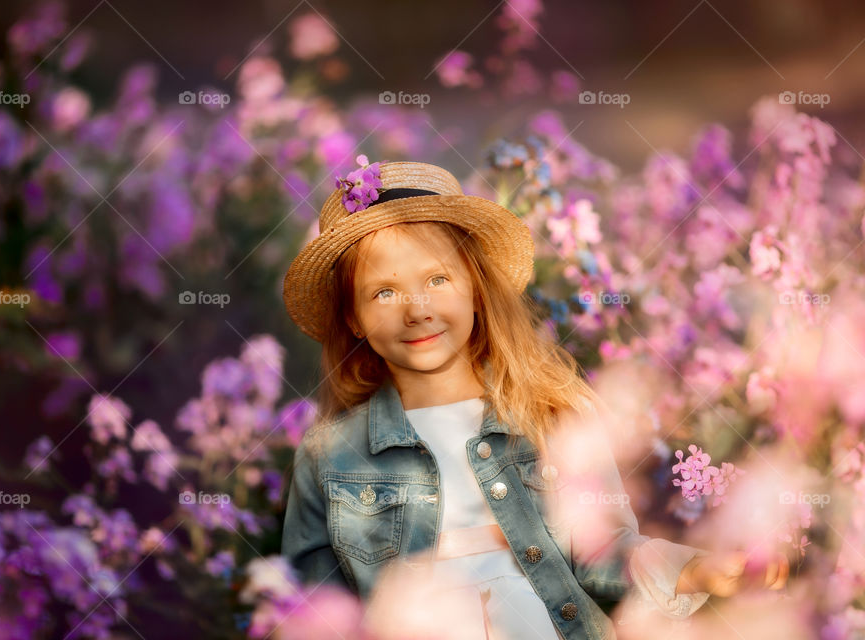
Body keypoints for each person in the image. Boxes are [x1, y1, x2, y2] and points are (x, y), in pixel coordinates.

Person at [280, 158, 789, 639]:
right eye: (383, 292)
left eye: (438, 279)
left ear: (476, 290)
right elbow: (317, 609)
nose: (417, 311)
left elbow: (605, 550)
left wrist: (697, 569)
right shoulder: (331, 453)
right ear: (352, 317)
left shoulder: (550, 418)